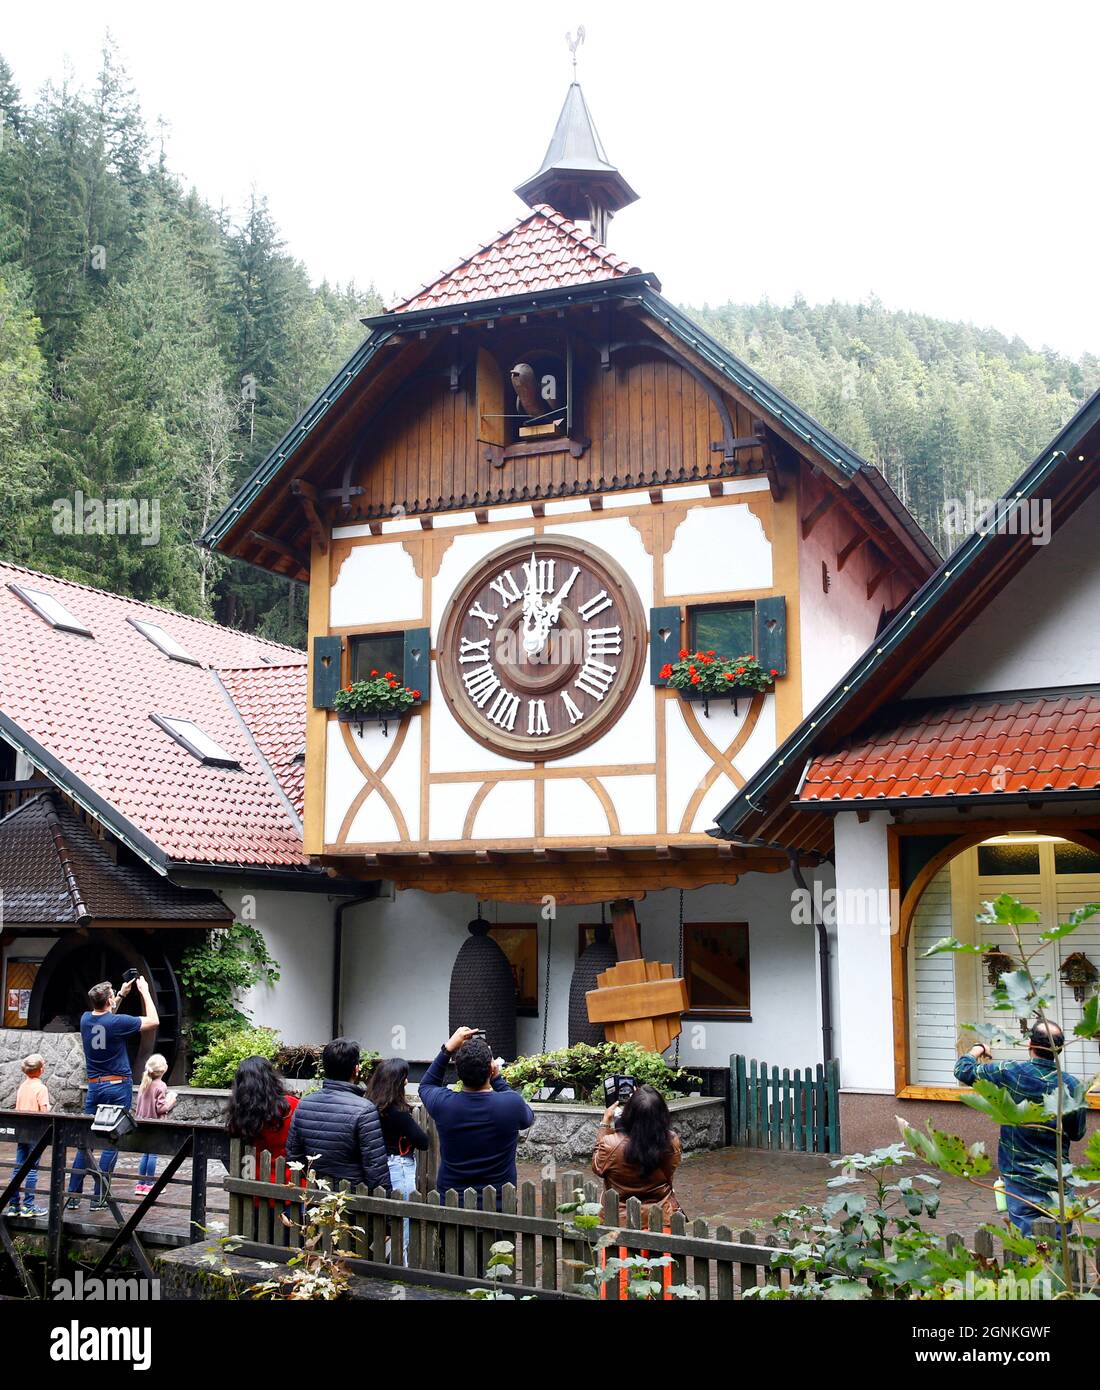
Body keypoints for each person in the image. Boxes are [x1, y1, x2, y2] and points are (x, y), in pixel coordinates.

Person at [954, 1022, 1089, 1237]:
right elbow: (1077, 1133)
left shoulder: (1010, 1072)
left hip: (1019, 1176)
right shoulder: (1072, 1086)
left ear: (1030, 1044)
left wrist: (978, 1049)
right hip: (1056, 1177)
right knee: (1061, 1246)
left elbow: (962, 1070)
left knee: (1026, 1248)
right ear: (1059, 1049)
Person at [67, 976, 159, 1210]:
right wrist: (144, 991)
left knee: (84, 1143)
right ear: (108, 1000)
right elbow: (153, 1021)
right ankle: (99, 1197)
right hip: (117, 1086)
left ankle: (74, 1196)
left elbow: (105, 1014)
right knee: (111, 1141)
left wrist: (121, 994)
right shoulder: (118, 1023)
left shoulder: (86, 1019)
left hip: (95, 1086)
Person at [418, 1026, 533, 1205]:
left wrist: (447, 1048)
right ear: (491, 1068)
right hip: (499, 1205)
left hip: (452, 1204)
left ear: (458, 1071)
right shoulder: (511, 1104)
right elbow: (528, 1117)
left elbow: (426, 1085)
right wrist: (498, 1080)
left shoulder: (444, 1104)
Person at [591, 1084, 683, 1298]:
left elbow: (598, 1166)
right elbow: (671, 1171)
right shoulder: (671, 1143)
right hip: (662, 1218)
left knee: (620, 1284)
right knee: (662, 1285)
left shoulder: (611, 1144)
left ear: (629, 1112)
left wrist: (606, 1123)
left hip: (620, 1221)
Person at [285, 1038, 389, 1191]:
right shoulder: (365, 1110)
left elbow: (294, 1157)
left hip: (315, 1194)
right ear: (356, 1069)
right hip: (353, 1198)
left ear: (324, 1068)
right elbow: (375, 1167)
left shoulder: (304, 1105)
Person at [366, 1057, 429, 1257]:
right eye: (404, 1078)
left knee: (380, 1217)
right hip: (398, 1165)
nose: (407, 1082)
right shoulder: (398, 1113)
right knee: (403, 1219)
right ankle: (400, 1265)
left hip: (375, 1164)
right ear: (397, 1081)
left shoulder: (368, 1106)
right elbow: (423, 1142)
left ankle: (378, 1260)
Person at [226, 1055, 301, 1174]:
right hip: (290, 1180)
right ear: (271, 1077)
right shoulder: (292, 1105)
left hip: (254, 1179)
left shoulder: (240, 1112)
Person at [7, 1054, 50, 1217]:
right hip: (35, 1133)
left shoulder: (22, 1086)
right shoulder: (41, 1088)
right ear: (40, 1070)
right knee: (32, 1169)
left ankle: (13, 1205)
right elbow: (44, 1111)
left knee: (18, 1167)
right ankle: (28, 1205)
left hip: (21, 1131)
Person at [132, 1054, 176, 1196]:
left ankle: (141, 1184)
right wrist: (171, 1101)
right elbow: (161, 1108)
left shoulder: (144, 1083)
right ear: (164, 1070)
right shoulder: (161, 1086)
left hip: (143, 1123)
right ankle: (150, 1185)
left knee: (145, 1154)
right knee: (152, 1154)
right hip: (155, 1124)